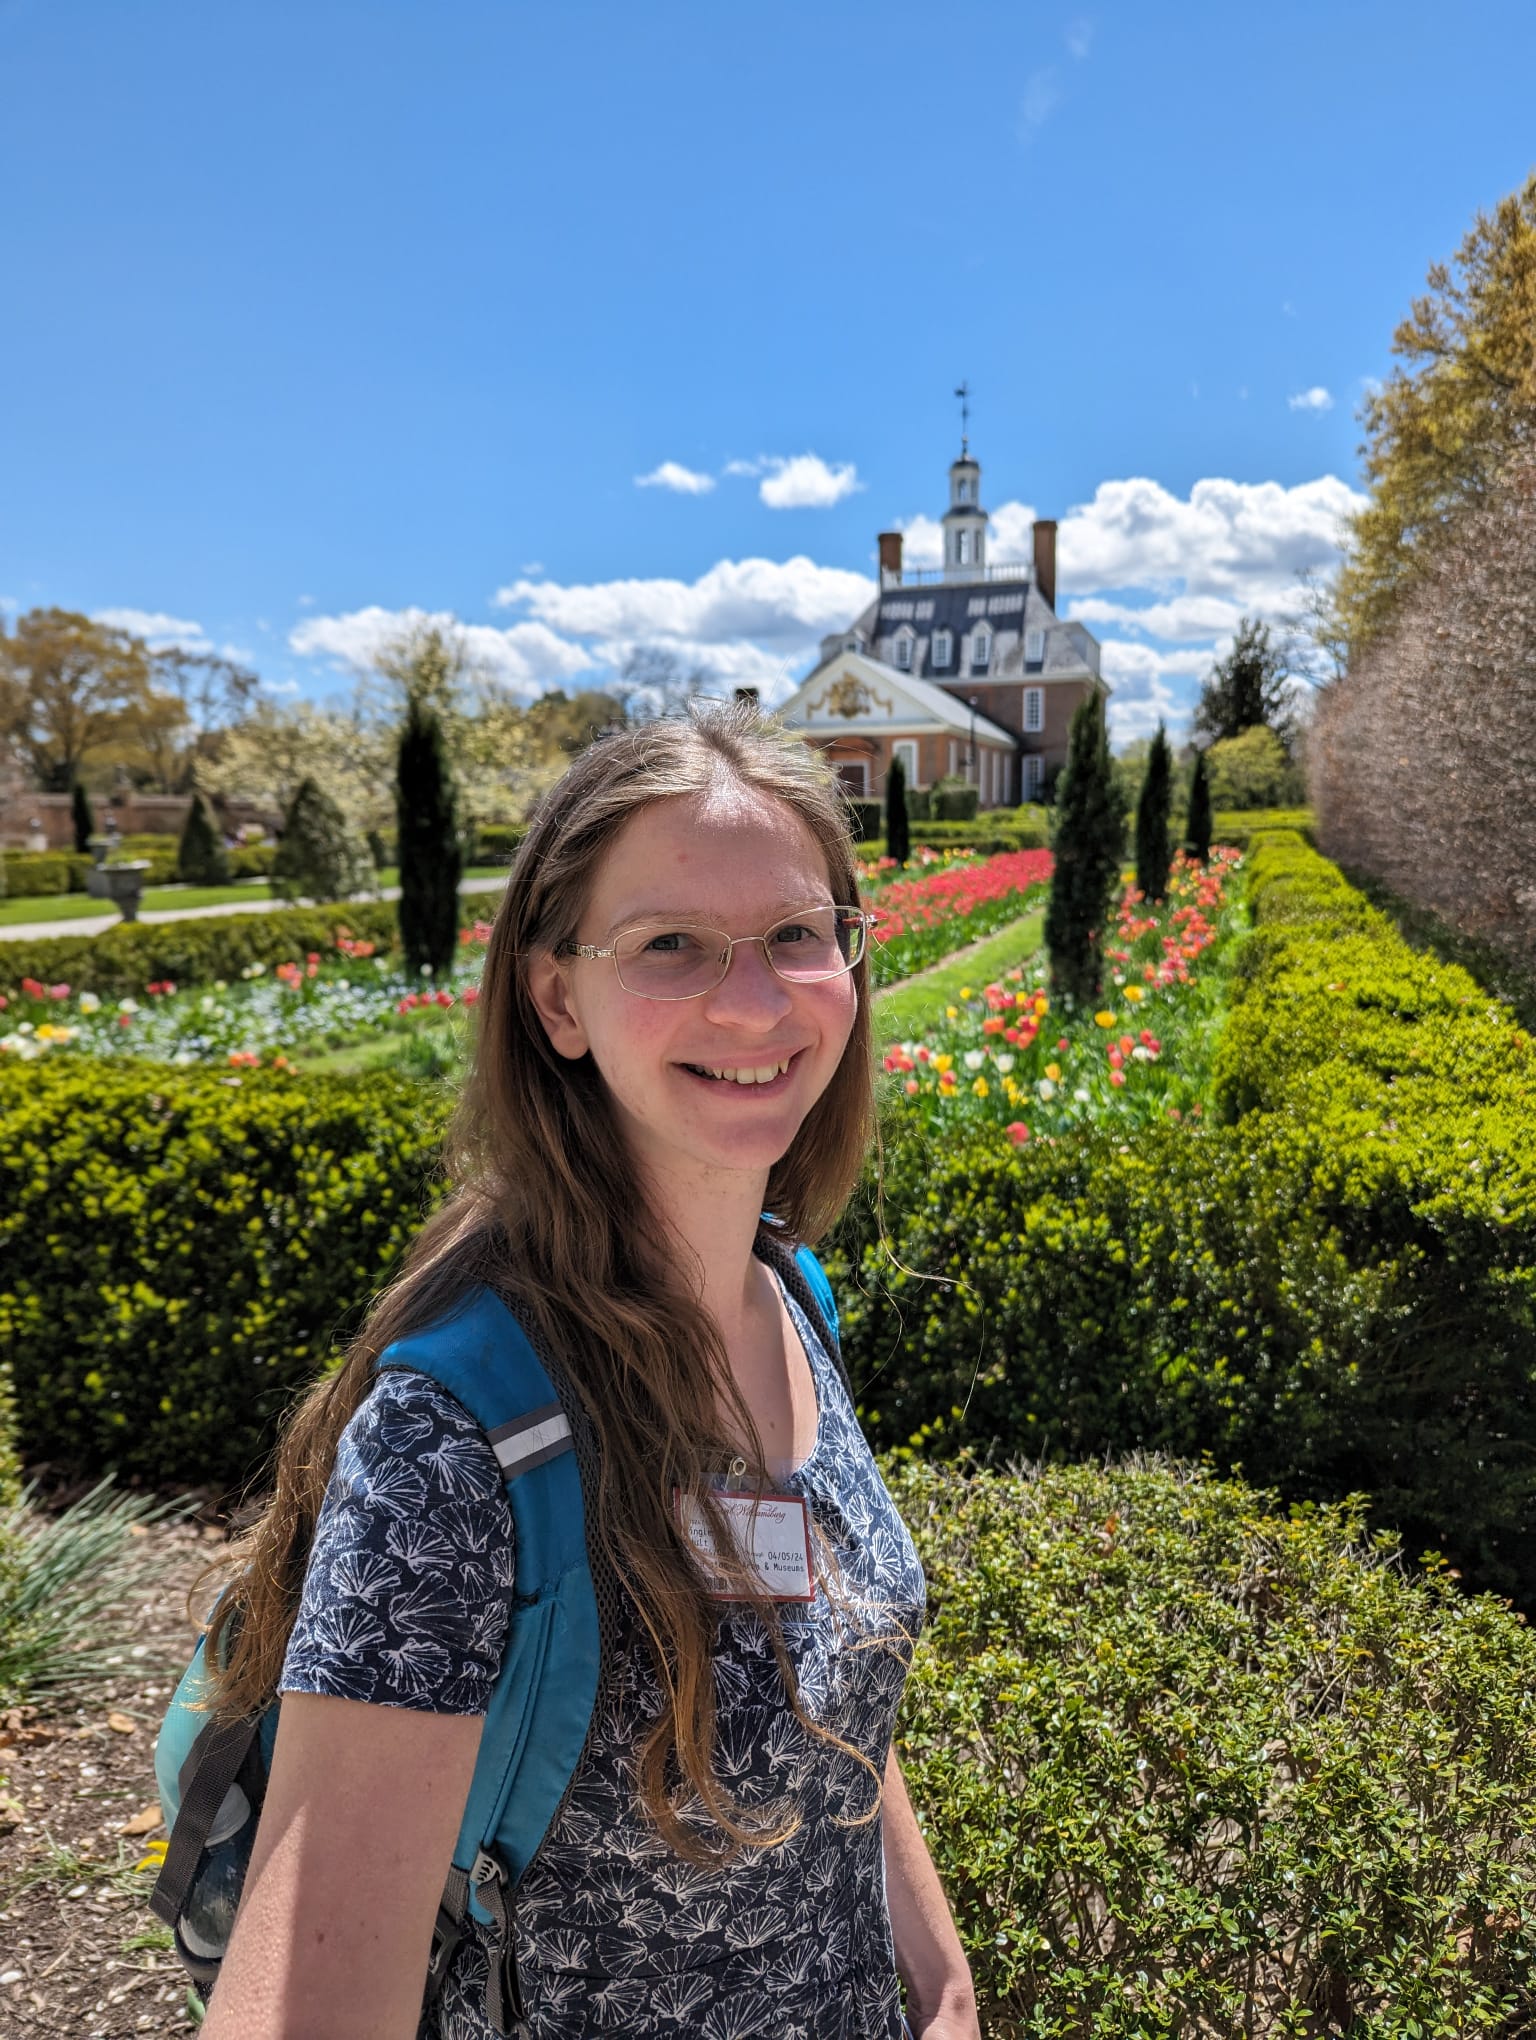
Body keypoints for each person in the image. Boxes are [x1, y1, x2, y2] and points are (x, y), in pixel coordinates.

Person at [195, 704, 981, 2039]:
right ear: (558, 997)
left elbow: (824, 1681)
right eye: (671, 944)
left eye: (799, 934)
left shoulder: (791, 1293)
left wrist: (942, 1975)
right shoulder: (460, 1441)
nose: (754, 998)